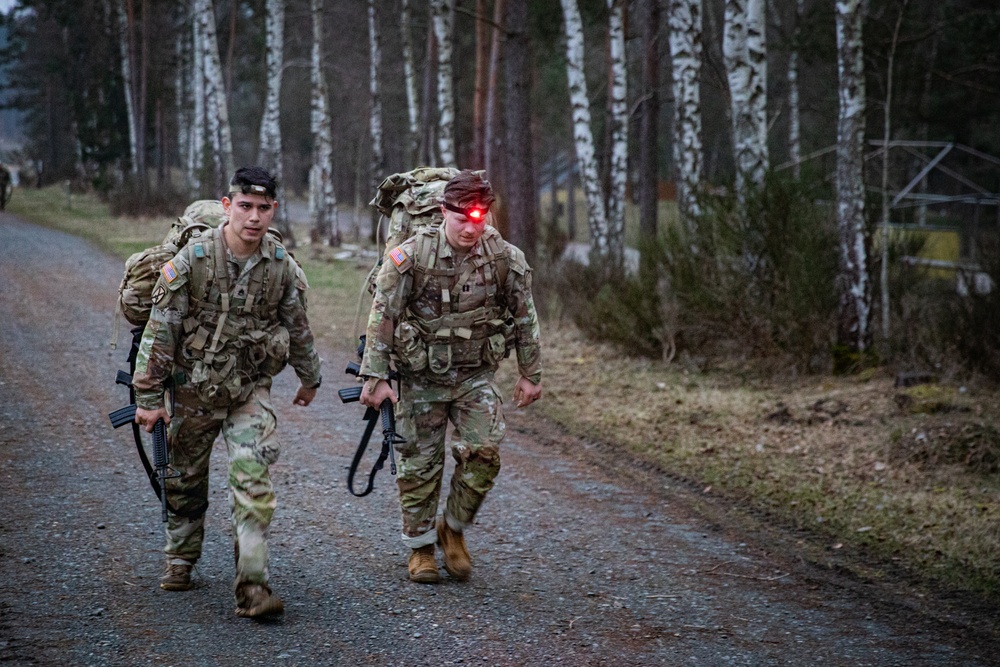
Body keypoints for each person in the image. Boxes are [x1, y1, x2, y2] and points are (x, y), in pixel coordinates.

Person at [132, 166, 322, 618]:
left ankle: (253, 586)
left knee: (253, 480)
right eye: (245, 207)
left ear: (274, 210)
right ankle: (180, 556)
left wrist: (309, 378)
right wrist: (149, 399)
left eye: (263, 208)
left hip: (248, 391)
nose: (254, 218)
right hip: (192, 390)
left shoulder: (280, 266)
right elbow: (161, 332)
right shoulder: (192, 260)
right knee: (184, 477)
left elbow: (298, 327)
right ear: (227, 206)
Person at [359, 169, 542, 584]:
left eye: (478, 220)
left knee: (484, 454)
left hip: (474, 374)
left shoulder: (504, 258)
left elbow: (524, 316)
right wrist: (376, 377)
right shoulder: (411, 255)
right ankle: (421, 548)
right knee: (420, 464)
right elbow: (382, 316)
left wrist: (530, 373)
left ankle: (452, 529)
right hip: (421, 376)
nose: (470, 228)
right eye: (461, 219)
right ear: (443, 212)